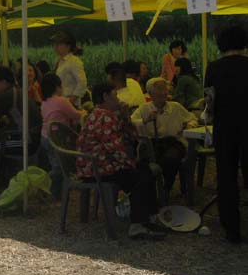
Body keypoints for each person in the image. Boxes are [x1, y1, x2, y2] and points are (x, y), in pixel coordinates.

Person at [77, 83, 164, 240]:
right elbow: (115, 148)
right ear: (105, 97)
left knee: (144, 170)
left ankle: (147, 218)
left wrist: (125, 117)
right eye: (115, 95)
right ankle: (138, 224)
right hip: (98, 168)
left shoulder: (106, 115)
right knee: (140, 176)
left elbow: (131, 137)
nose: (118, 99)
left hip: (103, 164)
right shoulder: (103, 117)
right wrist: (130, 164)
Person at [204, 24, 248, 244]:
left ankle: (232, 230)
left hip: (224, 127)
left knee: (226, 177)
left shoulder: (213, 68)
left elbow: (209, 103)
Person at [131, 78, 197, 199]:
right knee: (145, 162)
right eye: (160, 89)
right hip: (152, 144)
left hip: (173, 143)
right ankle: (150, 193)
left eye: (165, 89)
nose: (164, 92)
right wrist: (145, 120)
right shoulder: (144, 108)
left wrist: (189, 125)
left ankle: (165, 189)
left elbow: (192, 118)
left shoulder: (175, 107)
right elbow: (131, 123)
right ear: (150, 94)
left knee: (171, 159)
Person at [40, 72, 85, 199]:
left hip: (44, 136)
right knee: (58, 167)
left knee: (55, 163)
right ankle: (47, 189)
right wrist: (85, 112)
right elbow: (76, 115)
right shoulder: (61, 101)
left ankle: (56, 192)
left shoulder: (45, 102)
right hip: (56, 138)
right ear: (57, 87)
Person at [52, 30, 87, 108]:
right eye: (55, 44)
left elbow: (82, 82)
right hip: (59, 102)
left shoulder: (74, 61)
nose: (55, 47)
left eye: (59, 44)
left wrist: (71, 100)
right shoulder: (58, 61)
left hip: (71, 103)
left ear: (68, 46)